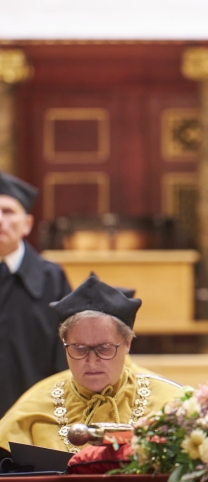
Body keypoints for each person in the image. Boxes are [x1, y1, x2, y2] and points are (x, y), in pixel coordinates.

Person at [0, 274, 182, 456]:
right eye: (79, 348)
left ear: (127, 344)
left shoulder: (172, 404)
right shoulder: (32, 408)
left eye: (104, 348)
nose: (92, 361)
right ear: (64, 345)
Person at [0, 171, 72, 417]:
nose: (0, 220)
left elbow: (66, 356)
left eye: (8, 211)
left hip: (33, 422)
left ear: (27, 224)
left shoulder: (52, 279)